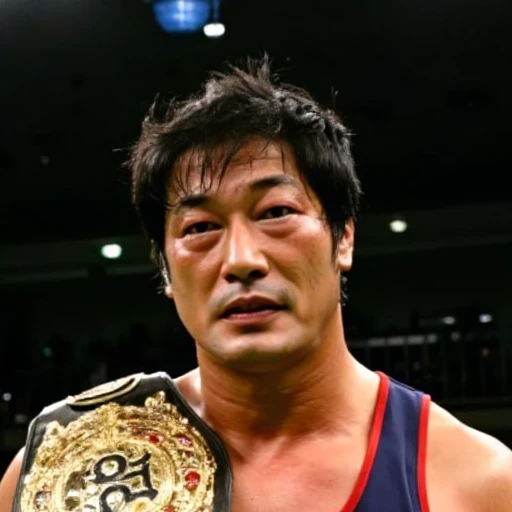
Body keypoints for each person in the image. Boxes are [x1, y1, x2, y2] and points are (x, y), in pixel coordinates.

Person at [1, 57, 512, 512]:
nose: (241, 260)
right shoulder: (60, 474)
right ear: (165, 271)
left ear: (343, 239)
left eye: (276, 213)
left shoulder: (479, 484)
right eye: (200, 228)